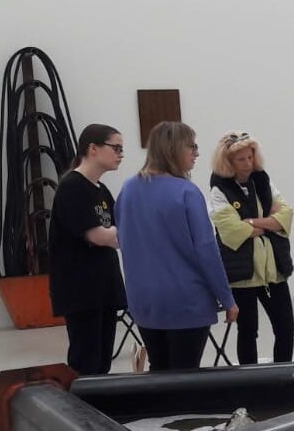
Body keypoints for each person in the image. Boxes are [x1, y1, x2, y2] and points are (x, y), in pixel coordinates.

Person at [115, 121, 237, 371]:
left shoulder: (127, 190)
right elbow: (207, 251)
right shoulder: (186, 192)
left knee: (159, 371)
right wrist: (227, 299)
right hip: (185, 300)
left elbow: (124, 242)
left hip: (144, 300)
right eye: (191, 147)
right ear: (173, 149)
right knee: (185, 375)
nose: (196, 153)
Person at [208, 131, 294, 365]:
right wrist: (268, 222)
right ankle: (250, 379)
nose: (248, 163)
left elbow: (286, 215)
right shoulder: (219, 189)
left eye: (250, 157)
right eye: (241, 159)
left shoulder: (263, 181)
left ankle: (282, 375)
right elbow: (229, 230)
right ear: (228, 162)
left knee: (285, 328)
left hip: (273, 270)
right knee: (247, 332)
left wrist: (252, 222)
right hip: (242, 274)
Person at [48, 123, 127, 376]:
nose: (121, 155)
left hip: (104, 286)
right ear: (93, 148)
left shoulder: (101, 190)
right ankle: (81, 404)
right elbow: (99, 235)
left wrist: (114, 234)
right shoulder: (72, 186)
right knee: (86, 362)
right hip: (81, 289)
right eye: (116, 148)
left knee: (103, 362)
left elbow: (118, 235)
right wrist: (113, 234)